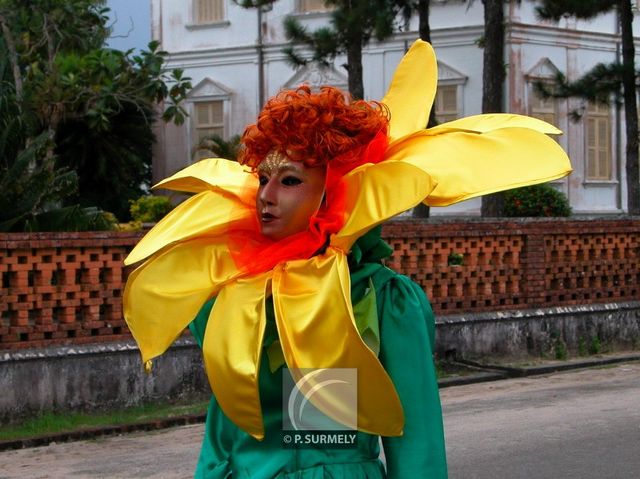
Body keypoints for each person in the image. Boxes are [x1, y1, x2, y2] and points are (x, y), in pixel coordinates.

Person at [123, 40, 571, 478]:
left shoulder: (381, 299)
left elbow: (415, 442)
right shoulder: (238, 291)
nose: (267, 196)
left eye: (291, 180)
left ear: (336, 189)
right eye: (263, 179)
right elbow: (223, 431)